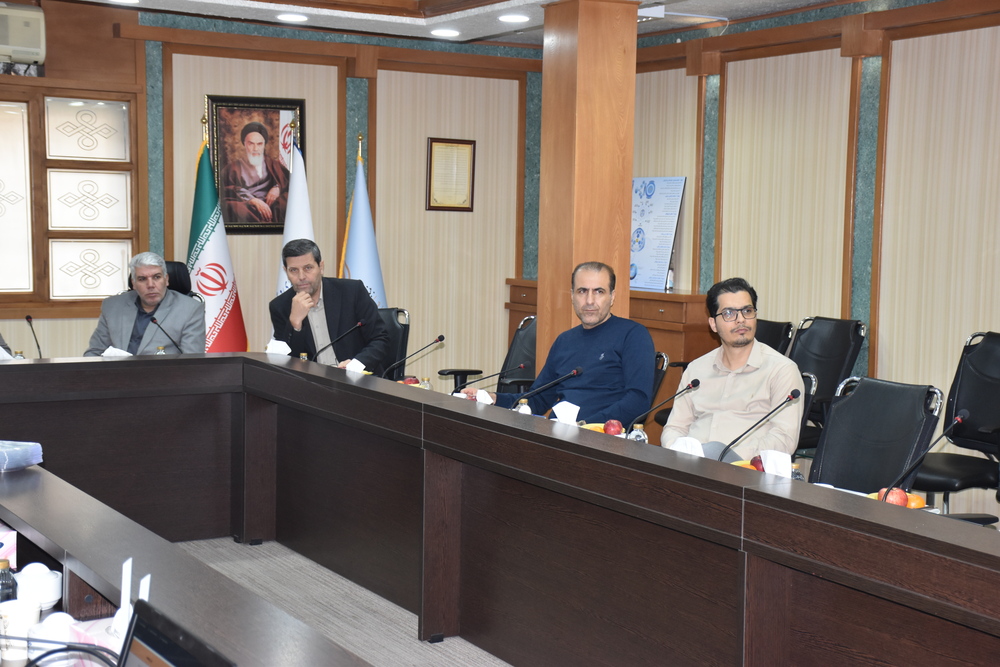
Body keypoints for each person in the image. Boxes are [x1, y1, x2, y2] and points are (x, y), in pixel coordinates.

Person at [463, 261, 654, 425]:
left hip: (603, 437)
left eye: (599, 291)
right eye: (582, 291)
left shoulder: (632, 335)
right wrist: (492, 398)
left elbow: (638, 401)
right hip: (559, 434)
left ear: (612, 297)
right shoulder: (565, 341)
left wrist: (585, 427)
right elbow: (537, 400)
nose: (589, 300)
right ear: (572, 296)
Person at [660, 277, 804, 458]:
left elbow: (784, 439)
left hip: (745, 468)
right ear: (713, 324)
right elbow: (675, 427)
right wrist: (679, 451)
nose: (741, 320)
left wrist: (725, 456)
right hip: (692, 465)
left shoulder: (781, 370)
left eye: (747, 311)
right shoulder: (696, 370)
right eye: (729, 313)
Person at [269, 239, 390, 373]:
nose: (301, 276)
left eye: (308, 268)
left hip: (357, 378)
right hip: (313, 382)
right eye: (294, 270)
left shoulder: (352, 292)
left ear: (321, 267)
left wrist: (356, 365)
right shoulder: (280, 307)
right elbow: (286, 362)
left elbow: (380, 339)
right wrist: (295, 324)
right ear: (286, 271)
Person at [85, 252, 206, 356]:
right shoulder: (113, 306)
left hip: (165, 374)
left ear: (166, 279)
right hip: (117, 373)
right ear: (134, 283)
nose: (150, 285)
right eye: (142, 279)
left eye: (157, 277)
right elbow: (94, 353)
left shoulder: (190, 309)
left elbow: (191, 360)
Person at [222, 121, 290, 224]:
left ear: (264, 145)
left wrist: (277, 188)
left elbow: (288, 182)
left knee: (287, 200)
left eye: (259, 144)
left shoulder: (273, 164)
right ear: (244, 144)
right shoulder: (232, 168)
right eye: (251, 144)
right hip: (247, 205)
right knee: (235, 208)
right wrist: (253, 200)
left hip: (272, 205)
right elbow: (227, 190)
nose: (255, 149)